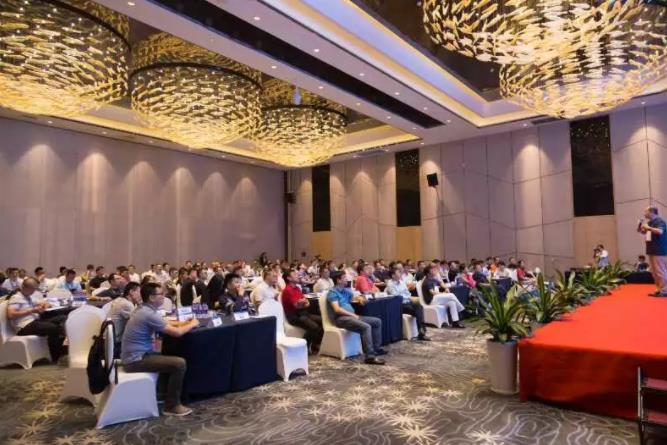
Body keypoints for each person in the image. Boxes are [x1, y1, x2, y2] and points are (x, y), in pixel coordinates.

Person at [121, 282, 199, 416]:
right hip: (136, 360)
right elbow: (177, 333)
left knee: (166, 353)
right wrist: (192, 323)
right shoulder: (148, 314)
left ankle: (162, 394)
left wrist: (184, 323)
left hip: (134, 355)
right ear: (151, 297)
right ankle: (172, 405)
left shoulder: (144, 309)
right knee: (179, 363)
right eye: (161, 294)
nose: (164, 296)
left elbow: (166, 323)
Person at [327, 271, 385, 365]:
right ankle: (370, 357)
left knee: (377, 321)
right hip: (341, 319)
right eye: (344, 277)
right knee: (366, 327)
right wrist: (352, 315)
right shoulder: (332, 293)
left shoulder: (345, 291)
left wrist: (359, 298)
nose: (347, 279)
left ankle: (376, 349)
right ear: (338, 280)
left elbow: (355, 297)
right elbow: (337, 309)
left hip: (352, 317)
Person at [7, 278, 66, 362]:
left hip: (34, 321)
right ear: (25, 287)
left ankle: (60, 350)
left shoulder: (27, 296)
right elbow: (11, 314)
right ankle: (56, 356)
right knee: (53, 328)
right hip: (24, 326)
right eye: (33, 289)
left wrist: (43, 305)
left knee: (62, 318)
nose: (34, 291)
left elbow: (43, 303)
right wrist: (32, 310)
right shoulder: (16, 298)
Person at [281, 270, 323, 353]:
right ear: (289, 278)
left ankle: (315, 345)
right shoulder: (287, 290)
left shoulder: (297, 288)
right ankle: (303, 348)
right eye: (295, 274)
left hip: (303, 313)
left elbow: (307, 303)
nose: (298, 276)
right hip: (294, 316)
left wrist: (302, 302)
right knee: (314, 327)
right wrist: (302, 302)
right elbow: (296, 306)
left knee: (322, 320)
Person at [386, 267, 430, 341]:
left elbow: (408, 293)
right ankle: (422, 332)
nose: (400, 274)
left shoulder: (402, 282)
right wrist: (405, 296)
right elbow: (397, 297)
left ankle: (421, 331)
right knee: (417, 310)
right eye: (398, 272)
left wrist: (405, 296)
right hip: (399, 305)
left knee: (419, 307)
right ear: (393, 275)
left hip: (407, 302)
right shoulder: (390, 284)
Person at [639, 206, 667, 296]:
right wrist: (641, 228)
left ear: (652, 212)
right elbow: (644, 232)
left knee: (660, 271)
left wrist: (648, 227)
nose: (644, 213)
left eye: (645, 211)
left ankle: (664, 290)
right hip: (651, 250)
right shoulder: (650, 222)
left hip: (659, 250)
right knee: (654, 272)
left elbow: (660, 231)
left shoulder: (659, 221)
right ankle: (659, 289)